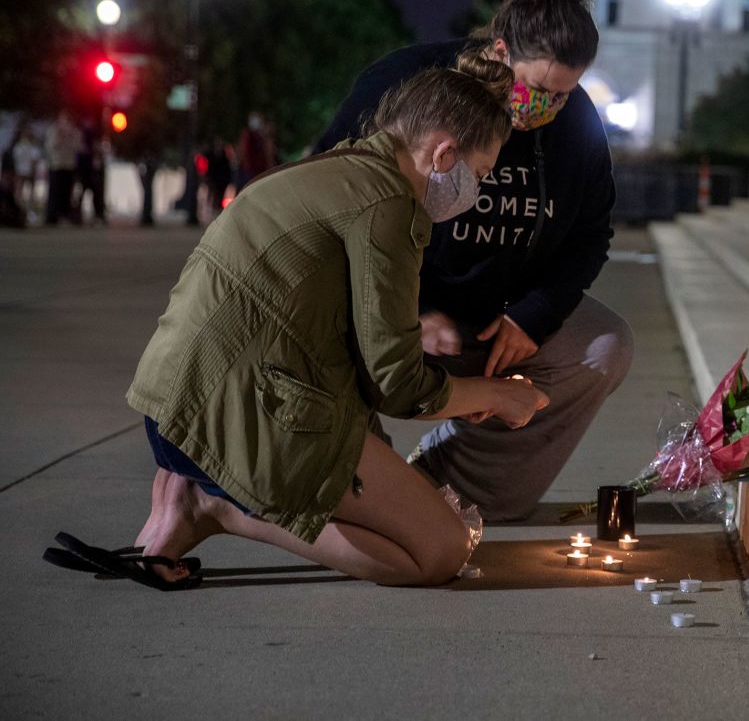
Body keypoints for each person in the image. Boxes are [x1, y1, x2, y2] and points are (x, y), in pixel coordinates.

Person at [49, 55, 551, 590]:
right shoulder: (391, 205)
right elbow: (401, 387)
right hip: (236, 421)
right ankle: (215, 507)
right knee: (439, 550)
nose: (474, 192)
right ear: (444, 152)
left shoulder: (340, 167)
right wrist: (496, 397)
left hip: (174, 405)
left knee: (404, 504)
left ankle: (192, 493)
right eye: (477, 174)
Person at [314, 0, 632, 522]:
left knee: (603, 345)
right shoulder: (406, 83)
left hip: (491, 325)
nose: (548, 108)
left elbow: (590, 233)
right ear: (501, 50)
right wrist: (409, 306)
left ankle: (455, 486)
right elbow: (335, 203)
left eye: (564, 93)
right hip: (388, 310)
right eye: (539, 89)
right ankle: (349, 484)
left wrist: (534, 315)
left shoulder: (574, 120)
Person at [44, 111, 79, 226]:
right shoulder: (53, 131)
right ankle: (52, 215)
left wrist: (69, 135)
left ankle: (65, 214)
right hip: (56, 165)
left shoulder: (74, 132)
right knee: (54, 191)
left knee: (66, 191)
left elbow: (78, 146)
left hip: (68, 165)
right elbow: (50, 146)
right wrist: (60, 135)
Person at [236, 111, 276, 191]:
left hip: (260, 171)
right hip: (252, 172)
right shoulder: (248, 135)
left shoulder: (261, 136)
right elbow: (246, 154)